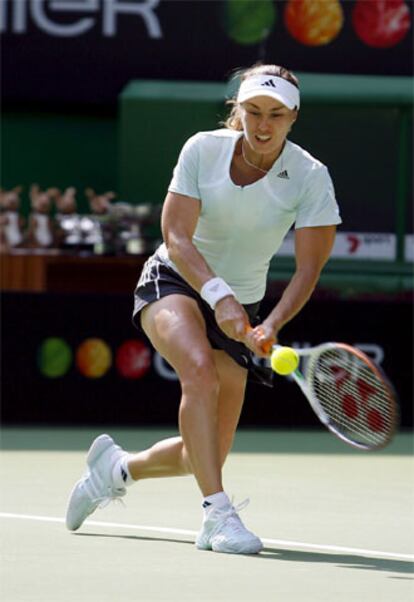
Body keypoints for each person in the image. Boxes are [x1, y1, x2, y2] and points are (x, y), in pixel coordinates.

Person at [65, 63, 341, 554]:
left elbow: (308, 270)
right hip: (174, 278)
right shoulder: (202, 149)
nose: (262, 124)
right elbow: (176, 236)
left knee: (203, 453)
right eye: (253, 111)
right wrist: (220, 298)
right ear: (237, 109)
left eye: (275, 115)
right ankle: (218, 516)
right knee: (199, 372)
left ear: (293, 118)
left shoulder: (310, 176)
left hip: (244, 301)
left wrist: (271, 324)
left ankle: (115, 469)